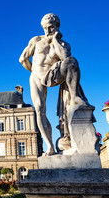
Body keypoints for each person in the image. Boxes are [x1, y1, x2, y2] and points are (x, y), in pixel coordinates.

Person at [19, 13, 89, 156]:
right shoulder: (36, 40)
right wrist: (34, 70)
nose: (47, 31)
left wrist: (55, 39)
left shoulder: (64, 44)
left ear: (57, 26)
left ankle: (75, 96)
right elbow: (23, 59)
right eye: (45, 28)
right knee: (40, 110)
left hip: (54, 74)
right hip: (37, 76)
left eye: (50, 27)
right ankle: (50, 146)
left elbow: (65, 58)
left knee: (72, 62)